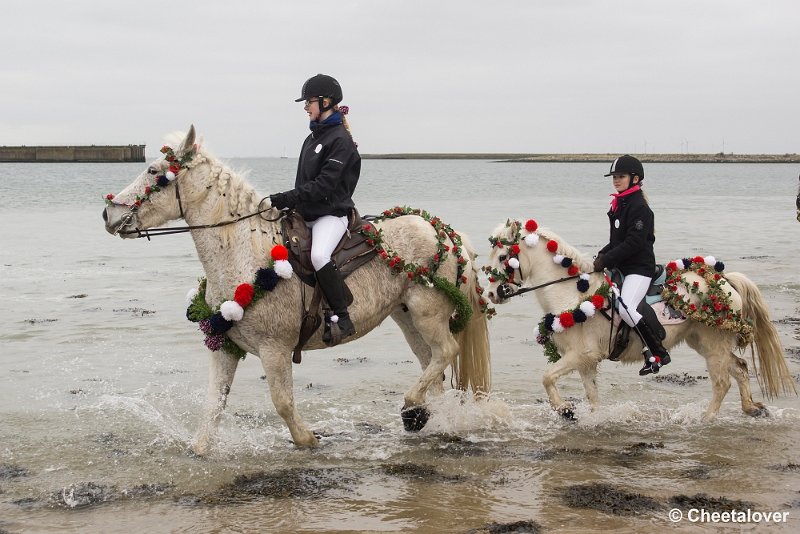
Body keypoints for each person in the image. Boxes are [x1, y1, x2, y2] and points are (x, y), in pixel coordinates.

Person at [269, 74, 361, 343]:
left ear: (326, 101)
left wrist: (288, 197)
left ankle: (342, 318)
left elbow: (324, 186)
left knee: (320, 256)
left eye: (309, 102)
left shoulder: (340, 141)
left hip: (332, 215)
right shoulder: (312, 139)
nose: (306, 108)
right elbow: (304, 183)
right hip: (307, 214)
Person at [593, 155, 670, 375]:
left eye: (621, 176)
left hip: (639, 268)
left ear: (635, 179)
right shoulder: (620, 204)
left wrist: (607, 259)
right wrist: (602, 254)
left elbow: (634, 243)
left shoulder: (639, 207)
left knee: (625, 307)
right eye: (614, 177)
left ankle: (657, 352)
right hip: (622, 267)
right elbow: (617, 242)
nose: (616, 180)